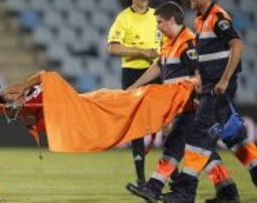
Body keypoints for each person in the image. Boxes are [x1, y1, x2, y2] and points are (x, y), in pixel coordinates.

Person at [126, 2, 240, 203]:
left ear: (171, 21)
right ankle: (227, 190)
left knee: (177, 145)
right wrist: (134, 86)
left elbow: (199, 73)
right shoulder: (170, 42)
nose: (157, 26)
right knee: (200, 150)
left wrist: (198, 97)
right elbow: (158, 66)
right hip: (181, 107)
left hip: (191, 106)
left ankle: (157, 186)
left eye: (159, 22)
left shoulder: (188, 44)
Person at [162, 0, 257, 202]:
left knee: (198, 137)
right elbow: (206, 58)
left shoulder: (217, 17)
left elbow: (237, 44)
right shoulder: (200, 19)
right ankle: (227, 193)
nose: (189, 1)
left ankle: (185, 193)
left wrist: (223, 80)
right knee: (234, 135)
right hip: (210, 87)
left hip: (218, 88)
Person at [107, 0, 161, 191]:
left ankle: (172, 174)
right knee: (136, 125)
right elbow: (112, 48)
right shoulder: (124, 17)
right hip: (132, 73)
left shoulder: (157, 15)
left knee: (166, 121)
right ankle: (141, 178)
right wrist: (141, 51)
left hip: (158, 72)